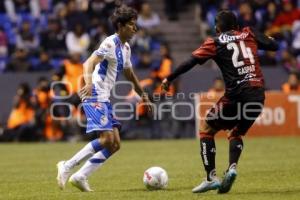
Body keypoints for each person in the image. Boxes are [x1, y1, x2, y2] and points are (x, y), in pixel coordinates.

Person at [161, 10, 278, 194]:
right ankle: (232, 168)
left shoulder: (215, 41)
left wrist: (169, 78)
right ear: (237, 26)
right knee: (236, 131)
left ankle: (211, 177)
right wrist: (265, 37)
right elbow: (274, 45)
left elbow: (190, 61)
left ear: (217, 28)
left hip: (236, 94)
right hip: (258, 94)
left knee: (206, 128)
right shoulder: (249, 33)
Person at [56, 6, 152, 192]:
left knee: (115, 144)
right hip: (94, 94)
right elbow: (88, 62)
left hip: (104, 98)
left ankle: (80, 176)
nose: (135, 28)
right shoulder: (109, 43)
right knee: (107, 139)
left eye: (135, 25)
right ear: (120, 26)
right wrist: (89, 83)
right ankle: (67, 166)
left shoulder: (125, 48)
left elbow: (130, 75)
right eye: (131, 25)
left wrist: (144, 97)